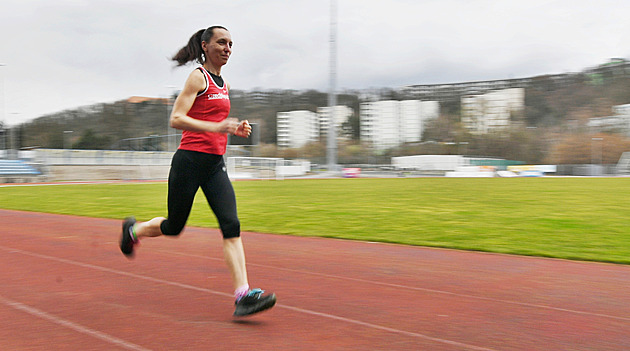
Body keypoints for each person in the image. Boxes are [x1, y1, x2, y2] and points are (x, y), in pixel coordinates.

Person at [119, 25, 276, 317]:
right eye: (221, 42)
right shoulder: (197, 77)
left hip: (215, 165)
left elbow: (215, 118)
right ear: (205, 46)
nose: (227, 48)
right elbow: (176, 118)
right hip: (189, 162)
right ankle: (134, 230)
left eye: (231, 43)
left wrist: (235, 128)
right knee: (174, 227)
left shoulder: (223, 83)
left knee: (231, 225)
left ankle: (243, 295)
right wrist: (217, 126)